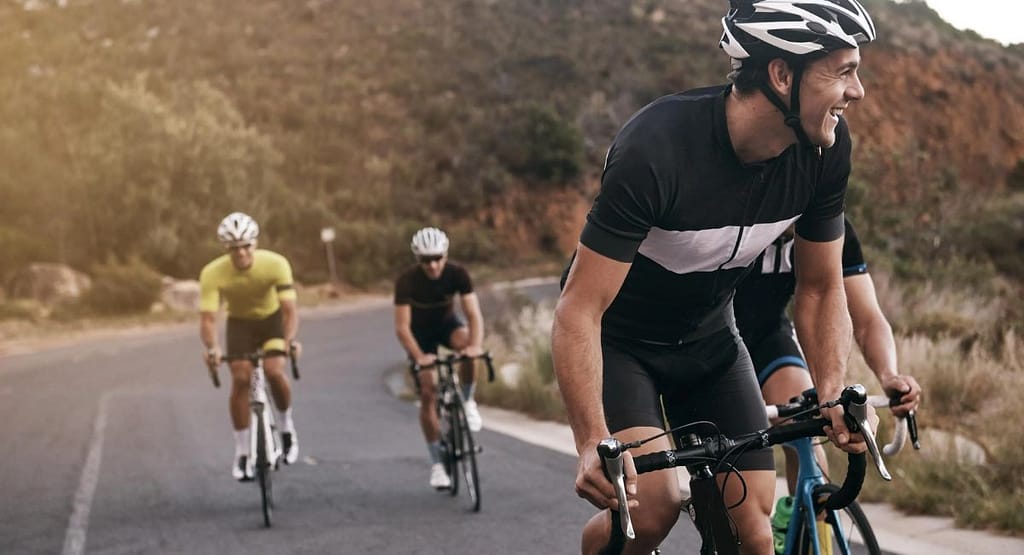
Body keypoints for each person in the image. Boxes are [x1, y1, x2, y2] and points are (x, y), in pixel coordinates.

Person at [552, 1, 879, 553]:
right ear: (782, 74)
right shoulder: (657, 148)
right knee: (650, 510)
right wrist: (591, 442)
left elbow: (821, 287)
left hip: (711, 342)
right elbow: (579, 309)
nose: (857, 91)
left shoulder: (825, 150)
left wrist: (830, 391)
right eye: (843, 72)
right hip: (622, 344)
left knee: (751, 537)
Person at [734, 218, 921, 499]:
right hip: (706, 337)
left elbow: (868, 319)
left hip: (767, 335)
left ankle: (809, 516)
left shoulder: (826, 223)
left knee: (804, 425)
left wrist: (889, 375)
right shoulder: (735, 213)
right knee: (734, 478)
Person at [199, 212, 302, 481]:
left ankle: (286, 428)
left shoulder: (276, 264)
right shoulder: (212, 272)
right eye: (234, 248)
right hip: (240, 324)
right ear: (226, 249)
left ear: (255, 243)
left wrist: (288, 342)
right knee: (241, 379)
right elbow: (208, 319)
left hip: (271, 321)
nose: (241, 253)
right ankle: (243, 452)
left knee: (274, 370)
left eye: (246, 246)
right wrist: (213, 348)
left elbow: (289, 311)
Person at [394, 227, 486, 490]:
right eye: (426, 260)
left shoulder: (458, 273)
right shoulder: (406, 281)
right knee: (428, 391)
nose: (432, 265)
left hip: (447, 326)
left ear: (445, 255)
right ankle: (437, 465)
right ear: (417, 259)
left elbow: (473, 315)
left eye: (437, 258)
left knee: (468, 347)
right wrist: (419, 356)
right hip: (420, 336)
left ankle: (467, 401)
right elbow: (402, 327)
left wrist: (475, 347)